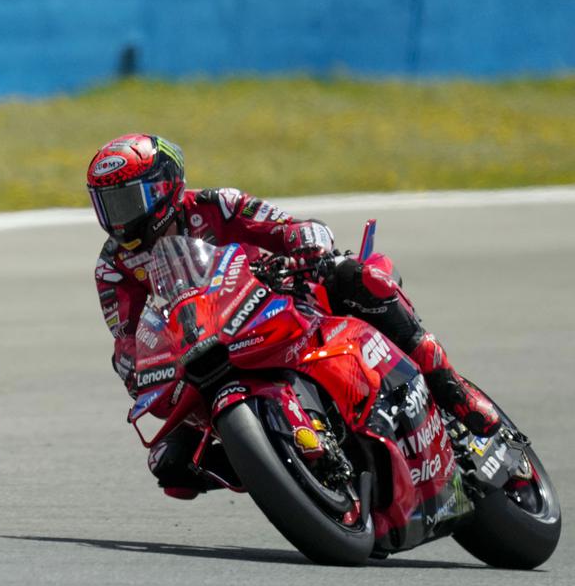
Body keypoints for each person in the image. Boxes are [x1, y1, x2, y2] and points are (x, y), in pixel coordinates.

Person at [87, 133, 501, 498]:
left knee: (360, 278)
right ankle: (281, 468)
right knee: (170, 465)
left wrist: (307, 245)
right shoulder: (112, 268)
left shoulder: (218, 205)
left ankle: (453, 391)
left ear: (165, 188)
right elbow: (128, 338)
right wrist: (137, 372)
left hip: (272, 303)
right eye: (108, 205)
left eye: (128, 200)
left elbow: (288, 227)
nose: (120, 218)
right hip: (203, 352)